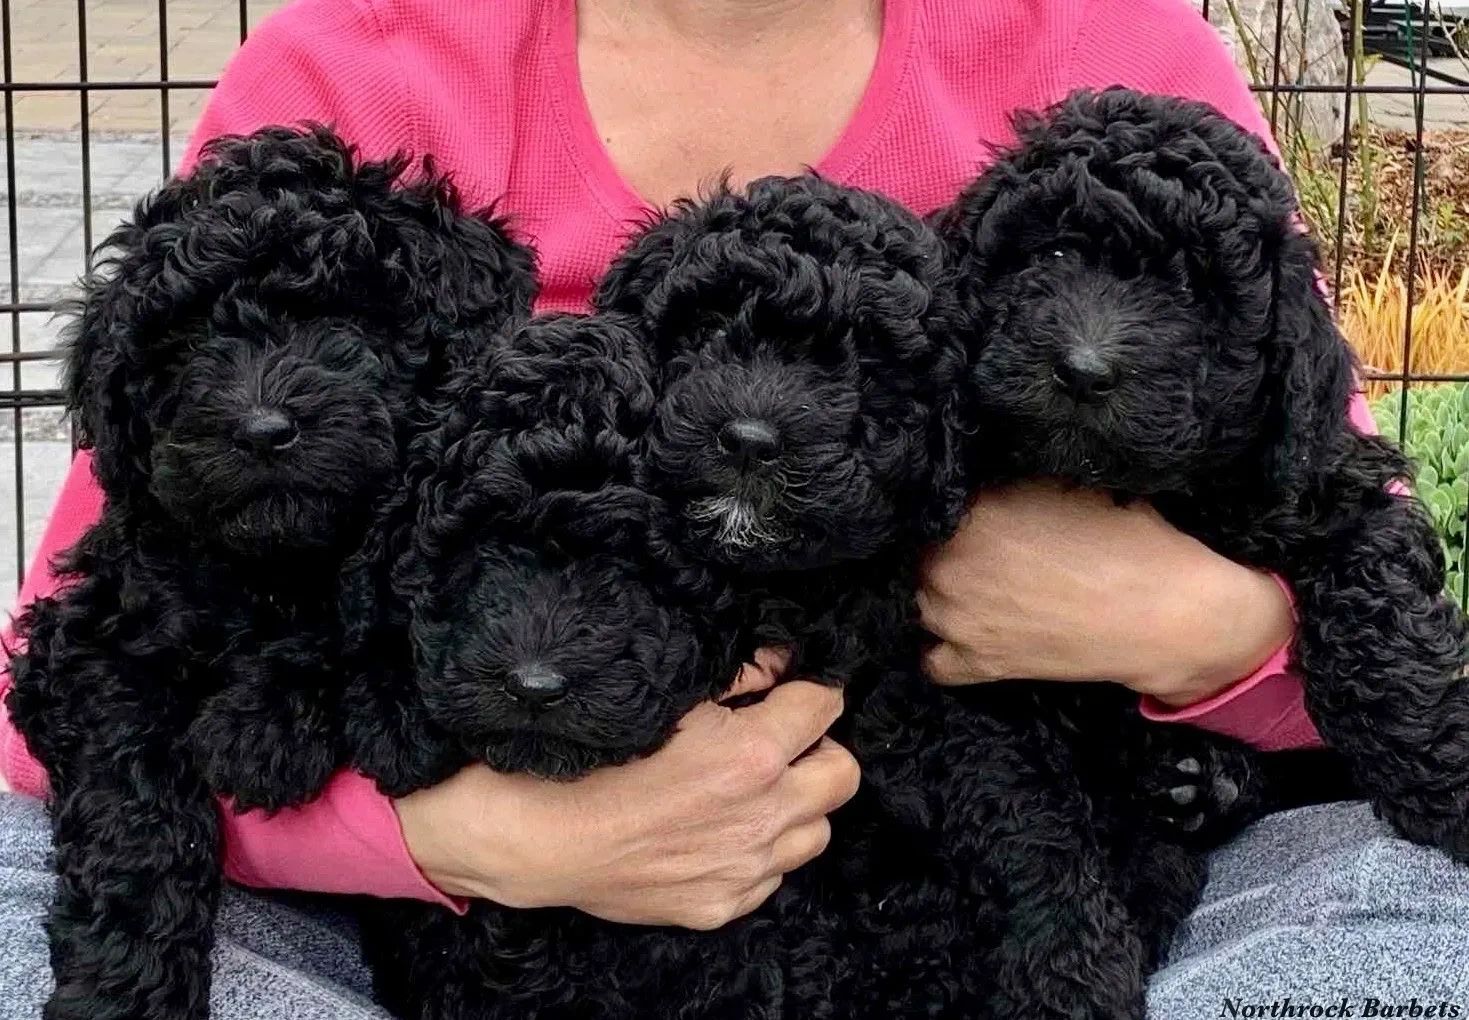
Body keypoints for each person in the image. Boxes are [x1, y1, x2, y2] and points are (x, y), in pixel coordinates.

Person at [2, 1, 1463, 1016]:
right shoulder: (353, 63)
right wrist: (455, 841)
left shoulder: (1121, 48)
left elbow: (1327, 512)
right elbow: (66, 686)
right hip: (417, 844)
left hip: (1030, 805)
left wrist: (1206, 635)